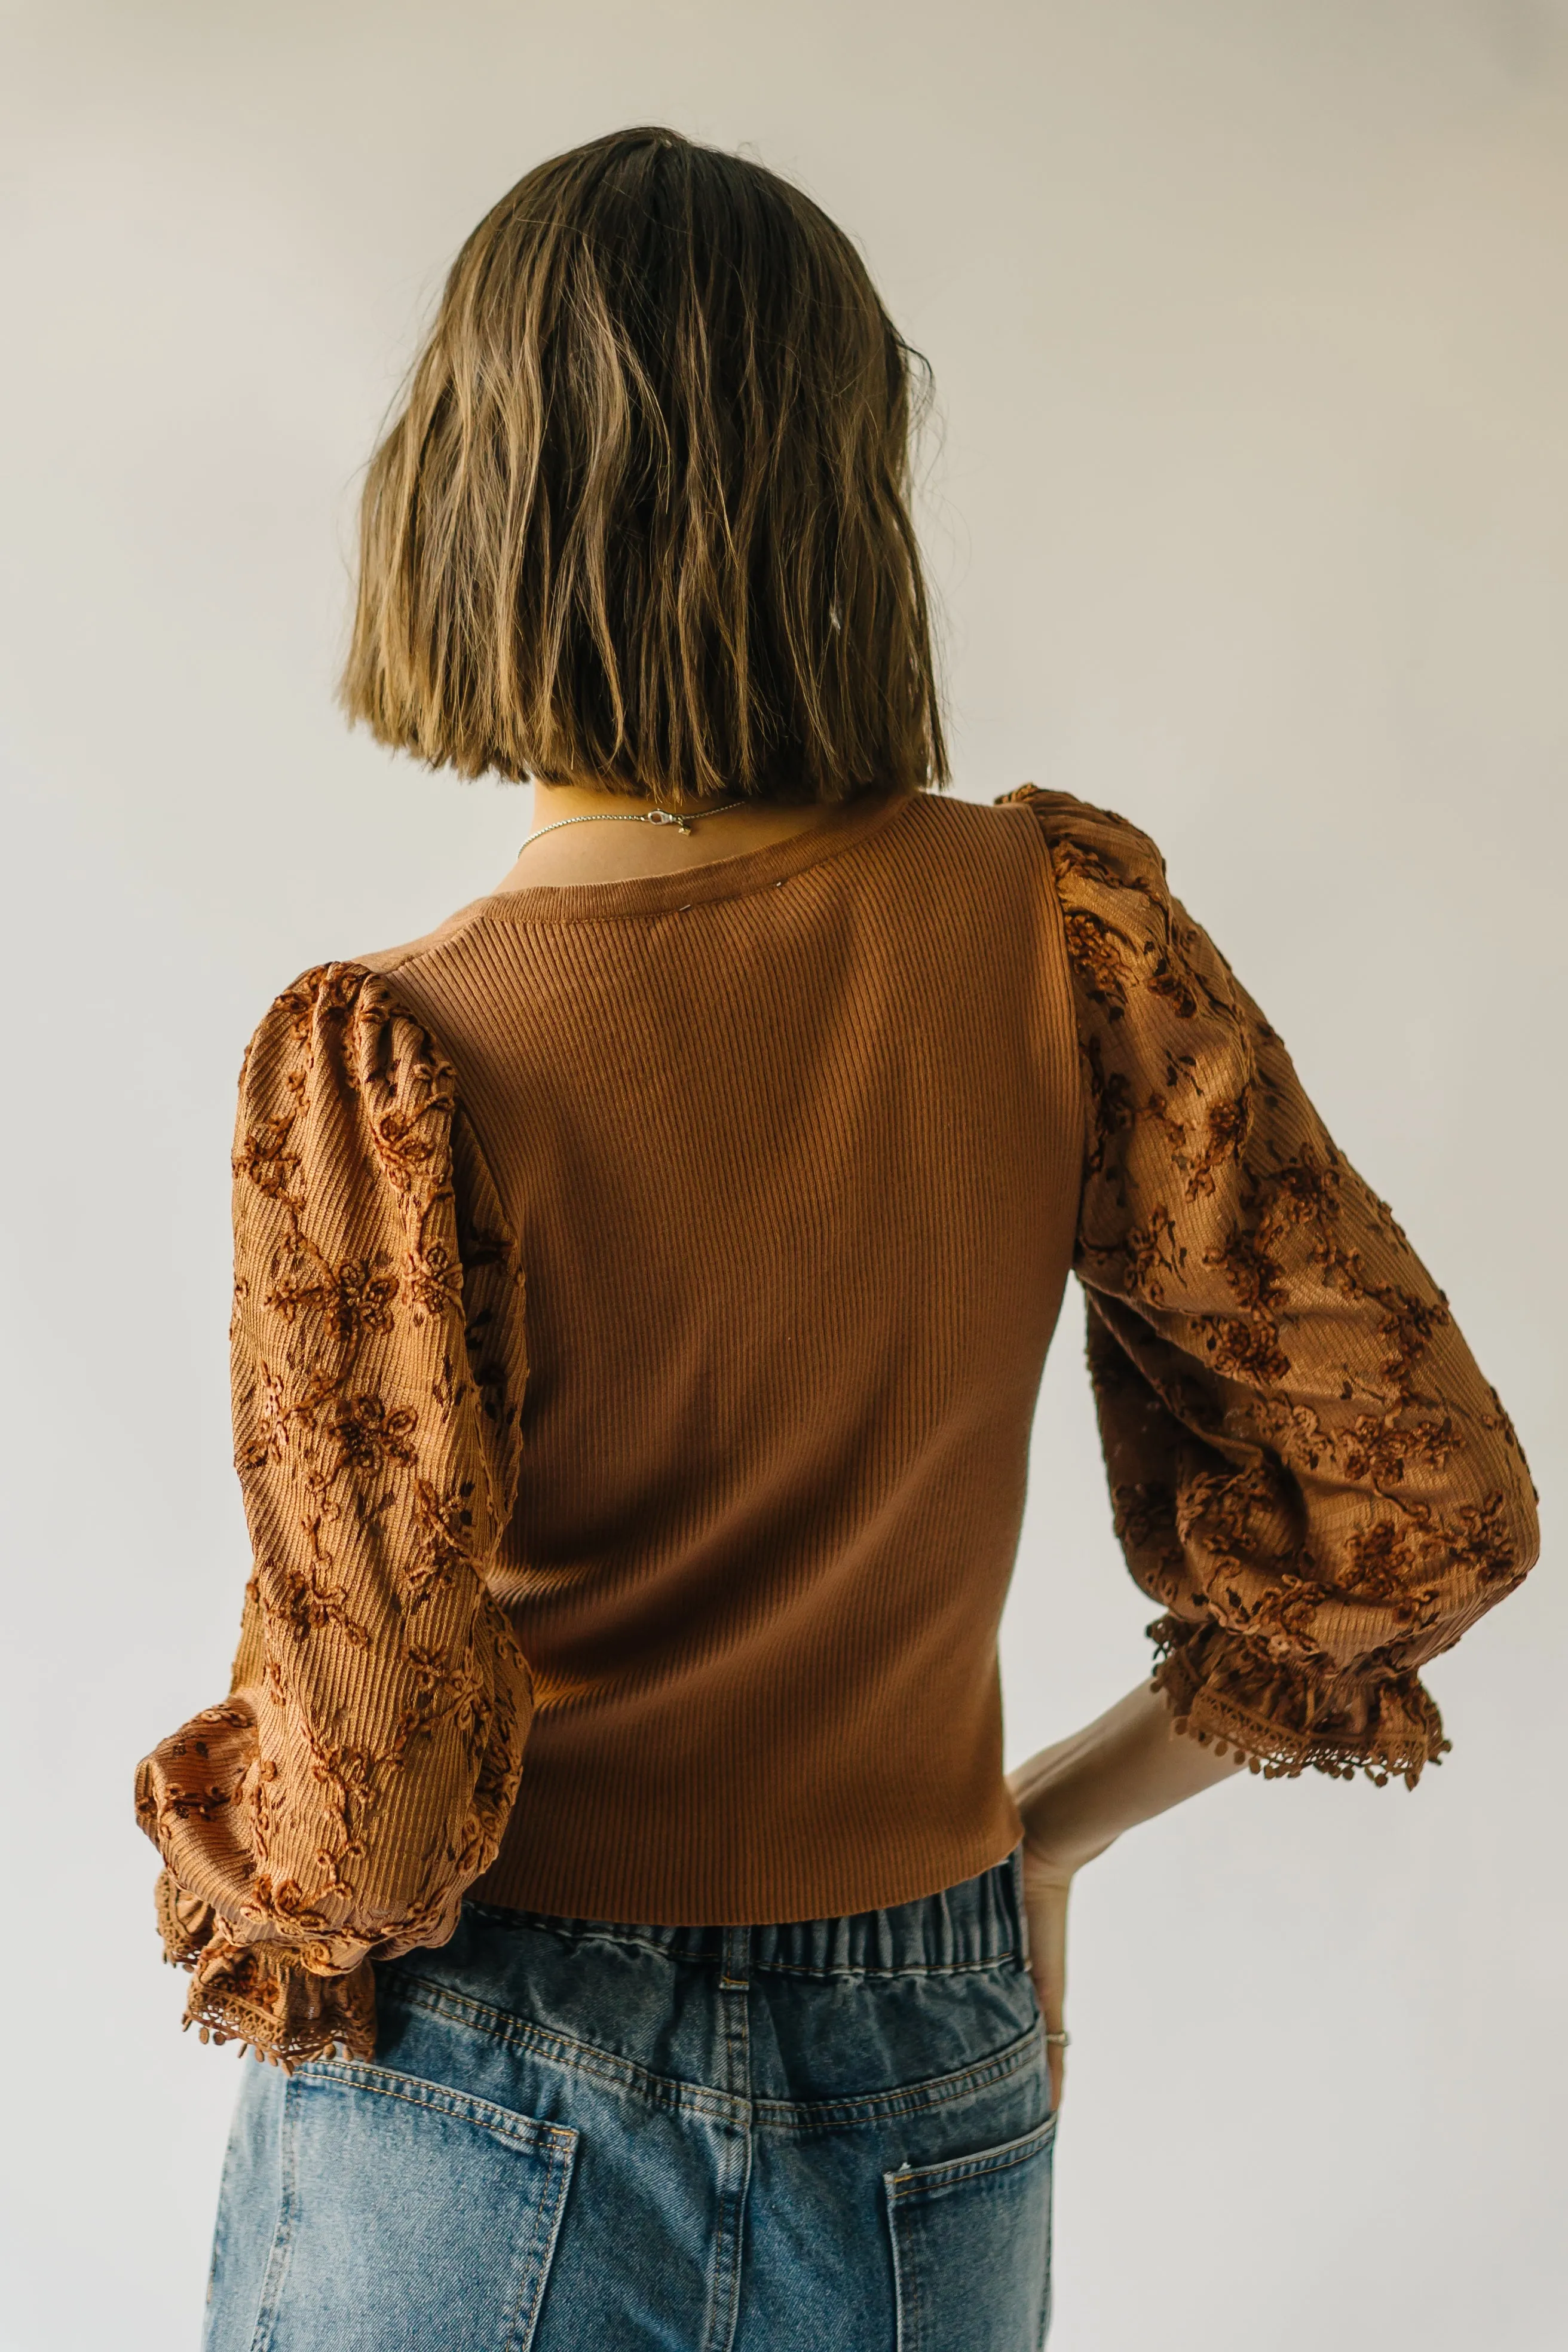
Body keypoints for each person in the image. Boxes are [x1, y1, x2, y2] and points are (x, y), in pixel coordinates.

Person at [134, 126, 1539, 2352]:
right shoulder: (1056, 938)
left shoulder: (396, 1062)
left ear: (464, 507)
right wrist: (1043, 1832)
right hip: (928, 2066)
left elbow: (373, 1806)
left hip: (482, 2091)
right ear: (844, 499)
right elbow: (1420, 1501)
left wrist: (230, 1865)